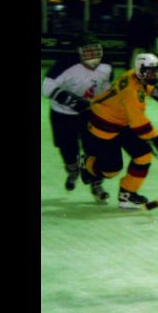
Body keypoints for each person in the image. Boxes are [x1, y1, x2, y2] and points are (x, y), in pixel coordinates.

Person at [79, 53, 158, 209]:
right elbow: (139, 124)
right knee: (111, 170)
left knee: (143, 156)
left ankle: (127, 194)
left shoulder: (134, 75)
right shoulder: (131, 93)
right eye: (151, 72)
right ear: (140, 70)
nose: (155, 75)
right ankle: (86, 163)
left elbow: (144, 86)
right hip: (103, 126)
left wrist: (156, 92)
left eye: (156, 71)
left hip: (122, 123)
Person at [41, 32, 113, 203]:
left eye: (96, 51)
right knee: (67, 147)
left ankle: (96, 183)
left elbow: (107, 90)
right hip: (63, 114)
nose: (93, 56)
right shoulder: (64, 65)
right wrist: (71, 100)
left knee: (95, 148)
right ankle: (72, 169)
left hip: (89, 114)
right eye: (88, 52)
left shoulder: (107, 67)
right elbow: (47, 88)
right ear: (78, 52)